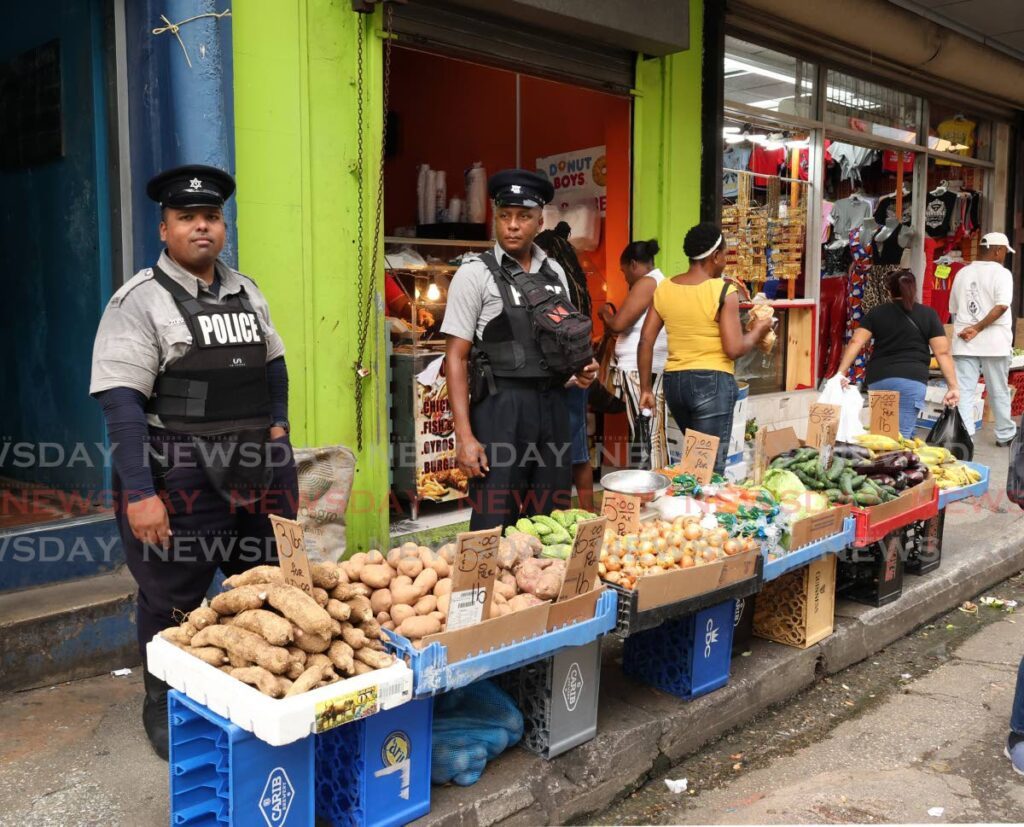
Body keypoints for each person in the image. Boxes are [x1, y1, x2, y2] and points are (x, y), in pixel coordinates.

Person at [90, 165, 298, 759]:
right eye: (187, 218)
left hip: (257, 464)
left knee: (261, 583)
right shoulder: (140, 302)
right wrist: (140, 492)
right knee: (170, 592)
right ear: (165, 228)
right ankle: (161, 695)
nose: (201, 226)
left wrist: (279, 430)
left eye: (210, 217)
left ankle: (244, 683)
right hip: (178, 468)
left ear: (222, 226)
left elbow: (273, 364)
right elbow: (122, 404)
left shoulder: (247, 290)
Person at [443, 169, 598, 529]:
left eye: (523, 216)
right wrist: (464, 437)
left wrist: (580, 370)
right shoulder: (474, 274)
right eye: (504, 216)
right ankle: (484, 586)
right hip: (501, 410)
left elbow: (560, 341)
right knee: (495, 519)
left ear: (540, 221)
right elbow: (456, 357)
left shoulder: (555, 272)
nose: (512, 225)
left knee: (550, 521)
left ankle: (543, 584)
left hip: (554, 408)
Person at [637, 223, 771, 474]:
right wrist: (758, 330)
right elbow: (734, 349)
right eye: (725, 254)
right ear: (715, 256)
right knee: (707, 470)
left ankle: (689, 509)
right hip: (711, 383)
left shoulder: (665, 288)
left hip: (675, 384)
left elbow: (646, 340)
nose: (725, 261)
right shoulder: (723, 290)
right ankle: (699, 510)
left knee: (695, 463)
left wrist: (646, 389)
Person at [832, 269, 959, 437]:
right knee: (901, 437)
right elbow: (942, 352)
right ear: (914, 288)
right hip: (911, 381)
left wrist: (841, 372)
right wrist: (953, 386)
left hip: (880, 379)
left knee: (883, 433)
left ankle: (889, 461)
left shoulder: (877, 313)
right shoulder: (928, 314)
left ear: (889, 290)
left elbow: (856, 341)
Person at [536, 222, 594, 510]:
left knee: (572, 449)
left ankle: (583, 514)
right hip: (571, 371)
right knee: (574, 448)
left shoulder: (552, 284)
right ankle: (582, 513)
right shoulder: (578, 286)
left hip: (567, 374)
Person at [600, 239, 669, 470]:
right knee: (651, 433)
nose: (625, 278)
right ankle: (654, 482)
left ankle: (651, 485)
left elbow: (618, 324)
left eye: (623, 272)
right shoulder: (660, 281)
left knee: (646, 434)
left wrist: (604, 313)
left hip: (639, 371)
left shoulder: (647, 282)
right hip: (647, 369)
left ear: (633, 265)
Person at [949, 231, 1016, 446]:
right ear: (997, 251)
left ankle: (965, 435)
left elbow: (954, 309)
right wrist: (977, 328)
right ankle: (1005, 435)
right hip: (994, 343)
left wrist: (969, 328)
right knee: (998, 389)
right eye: (1005, 251)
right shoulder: (1002, 274)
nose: (1005, 255)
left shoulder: (962, 273)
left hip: (964, 341)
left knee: (964, 390)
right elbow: (1002, 306)